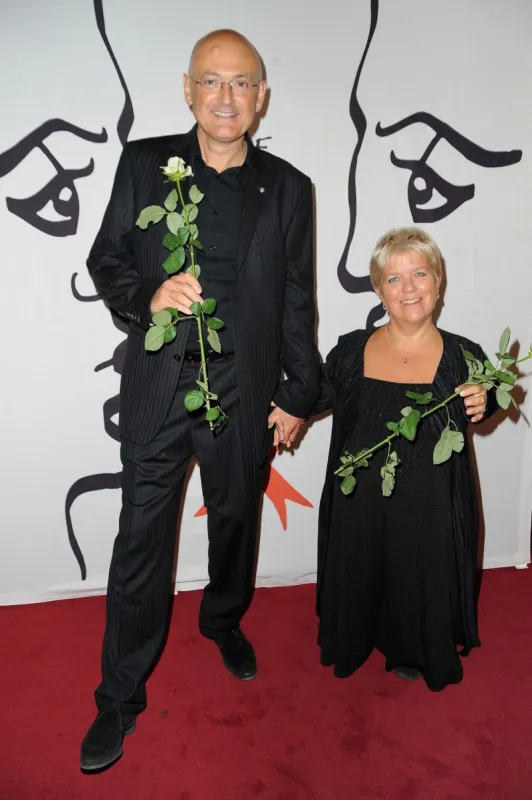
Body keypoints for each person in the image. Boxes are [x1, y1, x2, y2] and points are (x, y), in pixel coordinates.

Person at [80, 28, 319, 771]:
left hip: (244, 394)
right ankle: (119, 696)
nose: (226, 96)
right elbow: (106, 258)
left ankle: (222, 619)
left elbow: (295, 299)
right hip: (158, 390)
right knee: (140, 543)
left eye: (242, 83)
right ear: (188, 90)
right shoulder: (145, 163)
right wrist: (147, 295)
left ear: (261, 96)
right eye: (212, 82)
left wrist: (299, 394)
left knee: (237, 522)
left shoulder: (289, 187)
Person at [313, 227, 495, 692]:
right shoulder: (352, 349)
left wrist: (486, 397)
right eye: (393, 279)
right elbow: (313, 394)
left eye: (419, 274)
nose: (409, 288)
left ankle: (415, 645)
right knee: (360, 561)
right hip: (358, 505)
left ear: (439, 281)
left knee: (419, 567)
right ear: (377, 289)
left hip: (428, 510)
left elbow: (485, 402)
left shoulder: (464, 356)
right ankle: (354, 635)